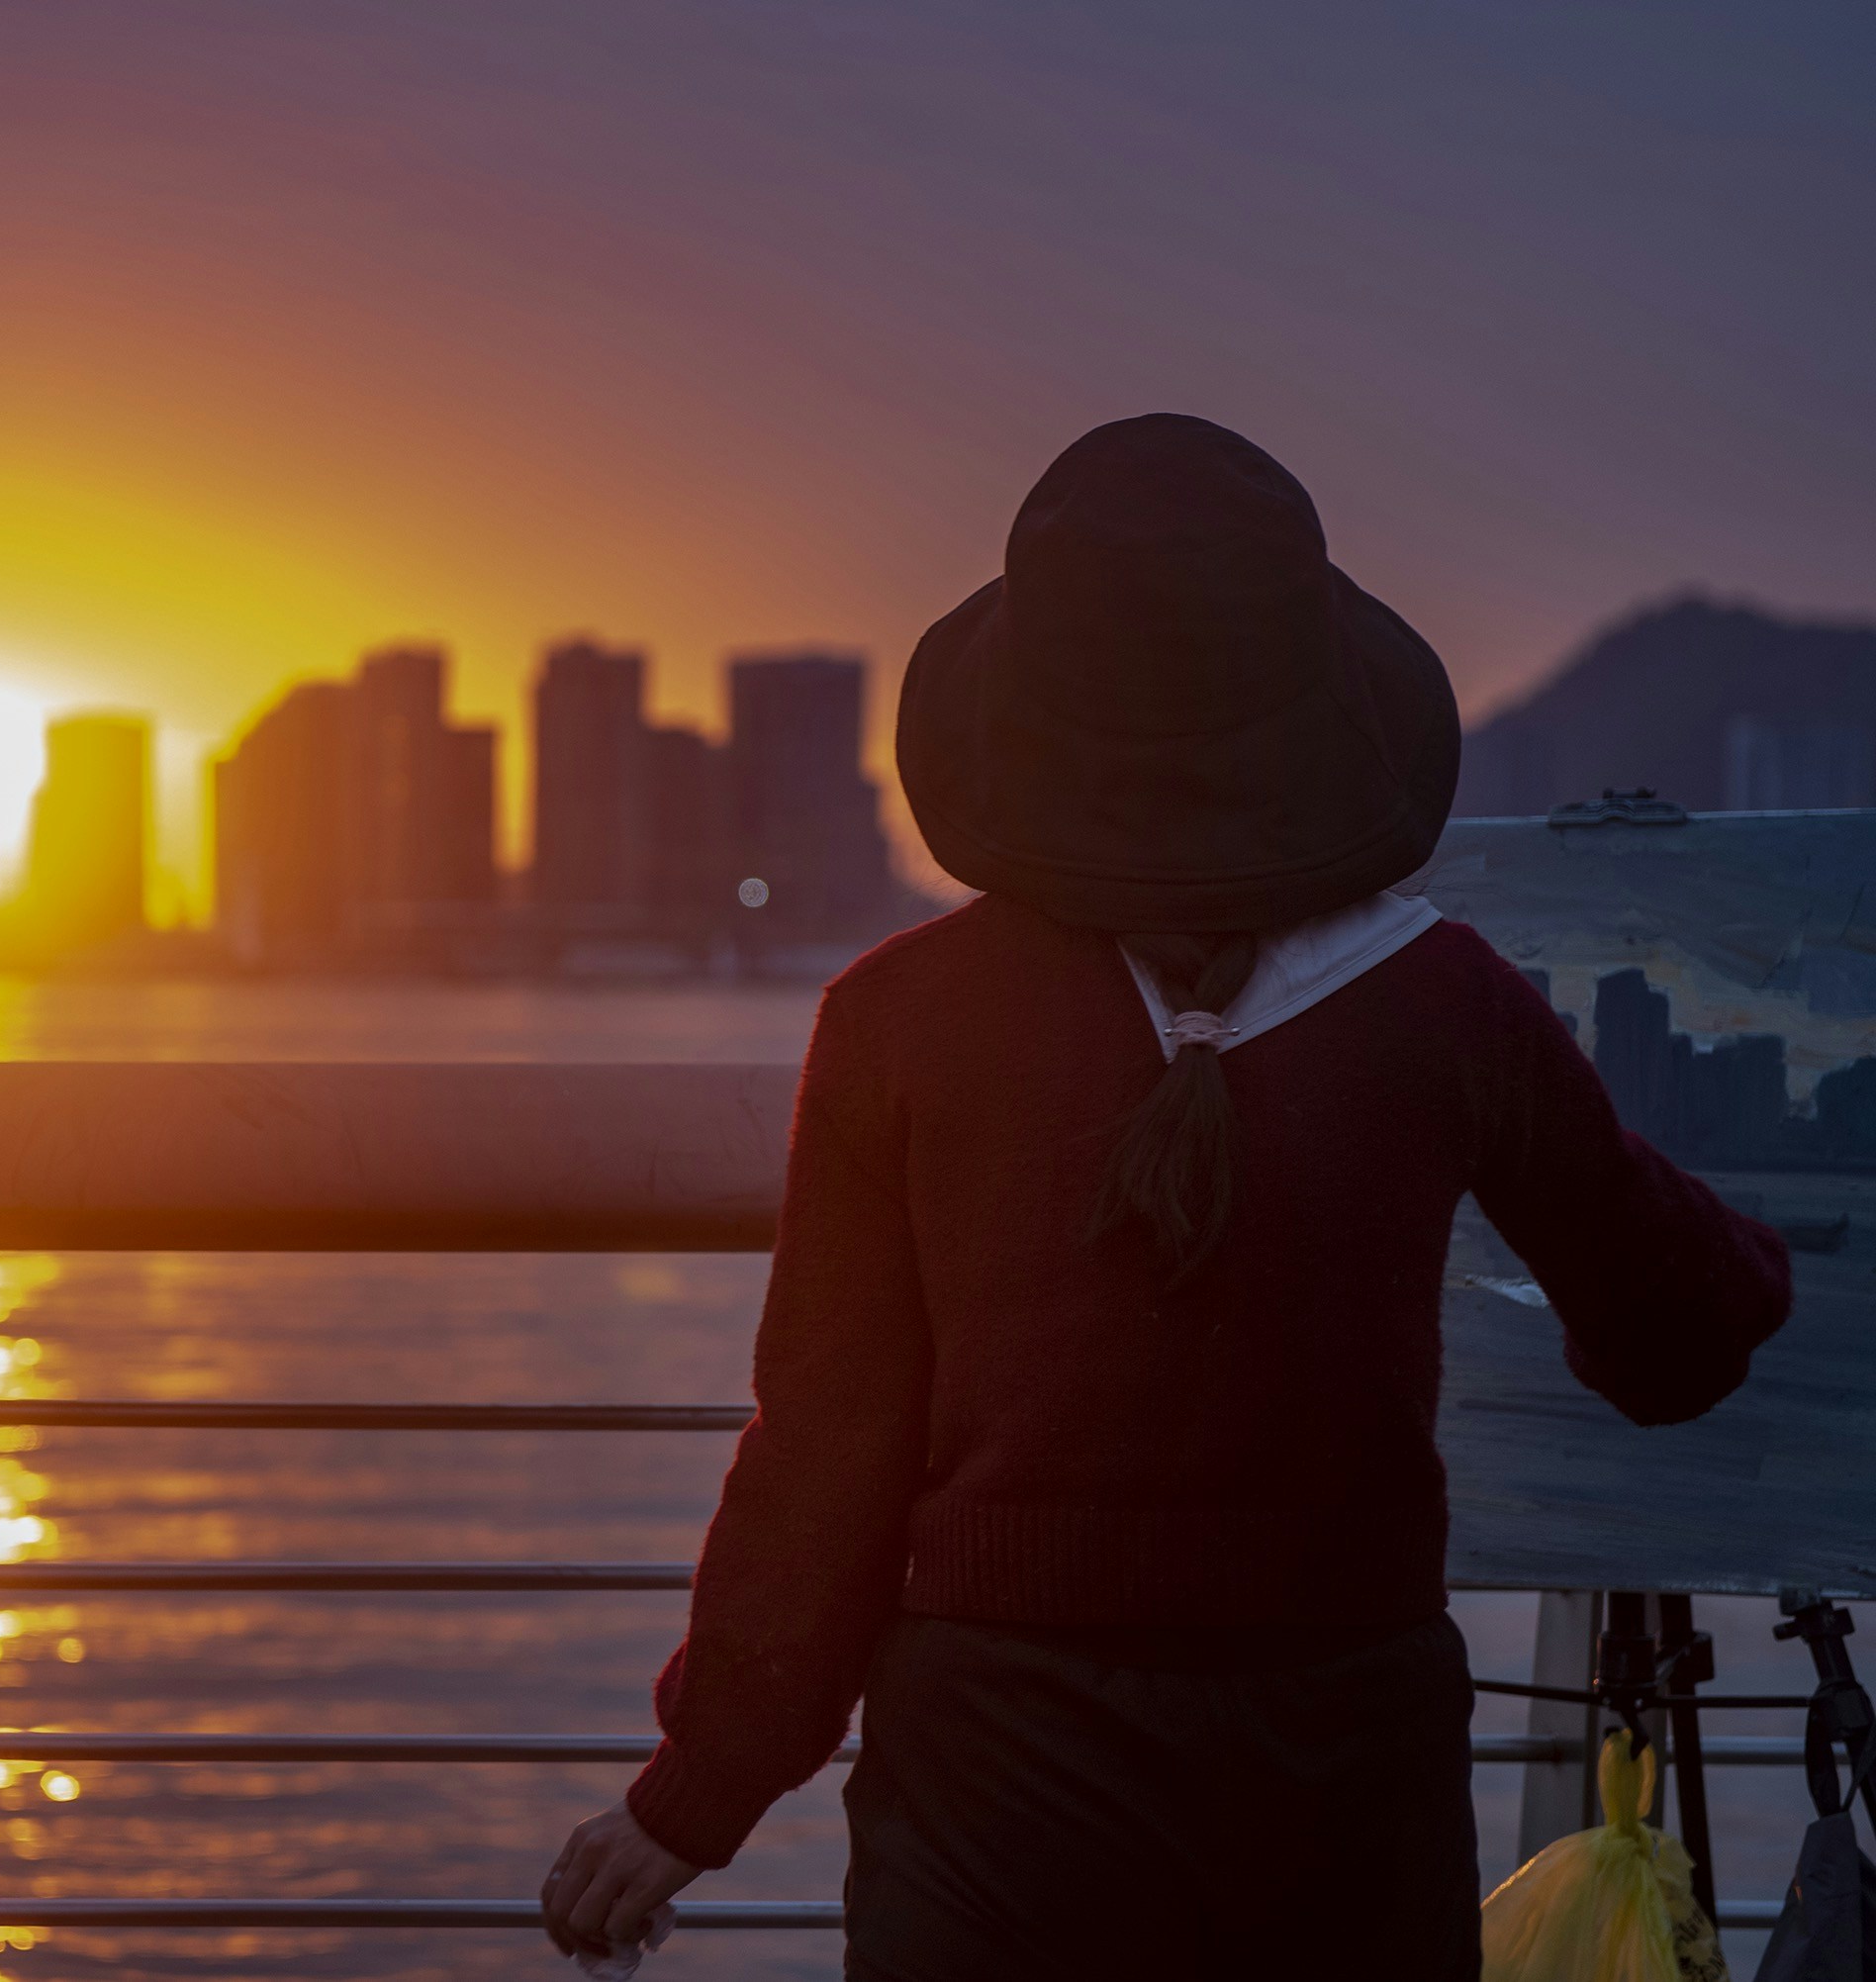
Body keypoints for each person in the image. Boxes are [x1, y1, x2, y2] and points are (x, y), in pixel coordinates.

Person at [538, 415, 1792, 1979]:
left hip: (989, 1796)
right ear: (1319, 711)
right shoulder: (1443, 1002)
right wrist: (1757, 1253)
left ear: (1023, 726)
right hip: (1342, 1782)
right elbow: (1673, 1340)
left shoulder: (898, 1020)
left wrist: (693, 1799)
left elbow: (827, 1463)